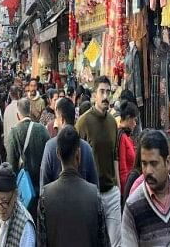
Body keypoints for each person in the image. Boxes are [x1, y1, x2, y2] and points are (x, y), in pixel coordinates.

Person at [37, 125, 110, 247]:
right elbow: (104, 242)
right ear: (78, 154)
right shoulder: (94, 195)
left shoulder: (45, 197)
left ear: (58, 153)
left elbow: (41, 243)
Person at [121, 130, 170, 247]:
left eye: (154, 163)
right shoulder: (133, 206)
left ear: (168, 162)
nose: (148, 170)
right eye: (144, 163)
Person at [75, 75, 121, 247]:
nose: (105, 96)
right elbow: (75, 160)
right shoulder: (83, 122)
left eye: (108, 92)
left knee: (117, 241)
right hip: (91, 193)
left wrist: (118, 187)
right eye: (101, 91)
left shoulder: (112, 122)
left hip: (111, 191)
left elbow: (115, 155)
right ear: (94, 95)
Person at [5, 98, 50, 221]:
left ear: (18, 115)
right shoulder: (42, 129)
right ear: (29, 111)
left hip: (25, 189)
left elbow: (11, 165)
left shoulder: (14, 133)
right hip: (42, 187)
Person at [40, 97, 98, 190]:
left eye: (56, 118)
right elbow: (95, 184)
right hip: (83, 202)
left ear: (62, 119)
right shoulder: (86, 147)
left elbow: (44, 185)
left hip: (56, 202)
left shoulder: (50, 147)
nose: (55, 122)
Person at [0, 163, 35, 247]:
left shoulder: (25, 227)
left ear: (15, 195)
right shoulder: (1, 208)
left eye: (5, 201)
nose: (0, 208)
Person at [117, 101, 138, 203]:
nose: (135, 123)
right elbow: (122, 169)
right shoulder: (122, 137)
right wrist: (126, 193)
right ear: (129, 118)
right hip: (126, 191)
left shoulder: (127, 136)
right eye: (134, 120)